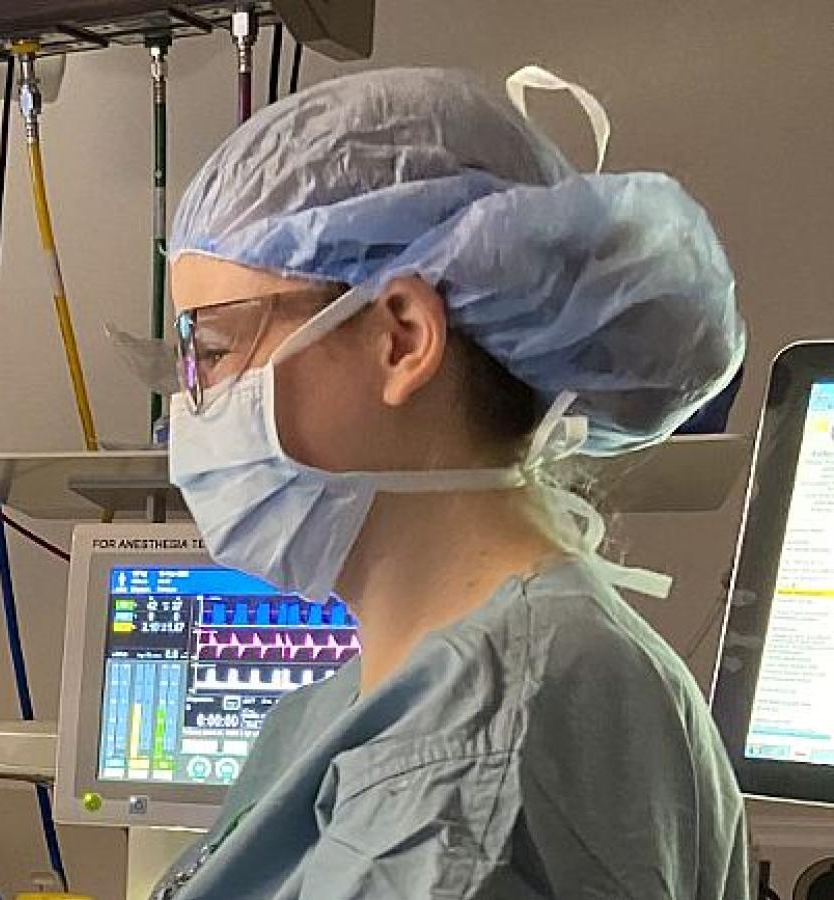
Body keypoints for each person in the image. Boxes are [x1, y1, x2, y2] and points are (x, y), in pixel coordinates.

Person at [154, 67, 749, 899]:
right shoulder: (412, 695)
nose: (192, 404)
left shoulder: (477, 750)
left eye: (212, 350)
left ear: (402, 339)